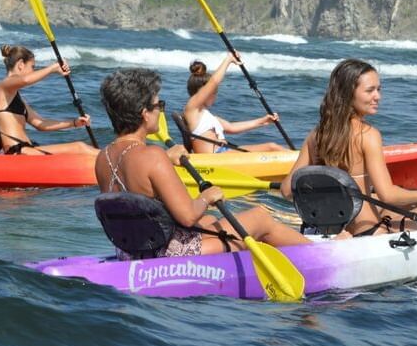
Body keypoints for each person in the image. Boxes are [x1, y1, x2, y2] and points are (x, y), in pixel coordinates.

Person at [95, 67, 310, 258]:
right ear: (144, 114)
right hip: (169, 256)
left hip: (131, 252)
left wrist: (166, 161)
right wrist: (207, 197)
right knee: (260, 217)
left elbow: (139, 191)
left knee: (207, 222)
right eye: (158, 104)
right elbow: (188, 215)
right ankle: (319, 255)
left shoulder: (102, 157)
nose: (160, 109)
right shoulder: (153, 156)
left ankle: (288, 252)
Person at [281, 58, 417, 236]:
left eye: (378, 89)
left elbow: (287, 190)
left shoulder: (316, 135)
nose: (378, 97)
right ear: (348, 94)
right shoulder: (368, 135)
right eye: (370, 91)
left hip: (325, 232)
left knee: (389, 210)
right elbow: (388, 195)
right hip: (366, 233)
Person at [0, 44, 98, 156]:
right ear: (21, 64)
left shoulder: (15, 97)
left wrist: (74, 122)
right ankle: (113, 163)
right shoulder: (2, 86)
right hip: (18, 153)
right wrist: (53, 68)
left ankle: (108, 162)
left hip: (27, 150)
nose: (33, 71)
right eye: (32, 67)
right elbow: (26, 80)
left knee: (81, 148)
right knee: (79, 147)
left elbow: (41, 124)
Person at [183, 55, 287, 153]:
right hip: (215, 159)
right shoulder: (192, 109)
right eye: (213, 92)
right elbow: (213, 82)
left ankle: (297, 162)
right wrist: (228, 59)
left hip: (224, 152)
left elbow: (232, 127)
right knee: (271, 147)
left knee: (273, 146)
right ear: (202, 92)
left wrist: (263, 121)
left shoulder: (206, 115)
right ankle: (300, 166)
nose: (215, 95)